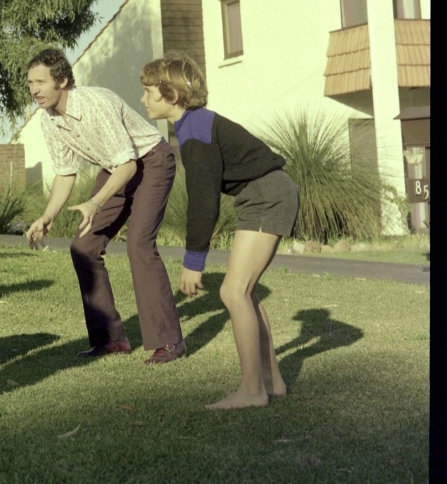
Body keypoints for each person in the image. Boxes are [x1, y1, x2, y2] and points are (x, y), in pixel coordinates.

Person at [140, 53, 299, 409]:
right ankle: (272, 382)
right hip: (265, 193)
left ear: (172, 95)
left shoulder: (195, 131)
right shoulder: (195, 124)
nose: (143, 99)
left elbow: (203, 200)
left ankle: (251, 391)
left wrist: (193, 261)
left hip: (266, 195)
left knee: (233, 292)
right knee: (244, 292)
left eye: (149, 92)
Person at [24, 48, 186, 364]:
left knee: (139, 243)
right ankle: (110, 340)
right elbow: (64, 173)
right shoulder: (49, 121)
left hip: (150, 162)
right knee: (83, 246)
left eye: (41, 82)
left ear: (62, 80)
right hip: (117, 169)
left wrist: (95, 203)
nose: (34, 90)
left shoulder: (95, 103)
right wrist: (47, 216)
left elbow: (128, 166)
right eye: (30, 83)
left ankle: (169, 343)